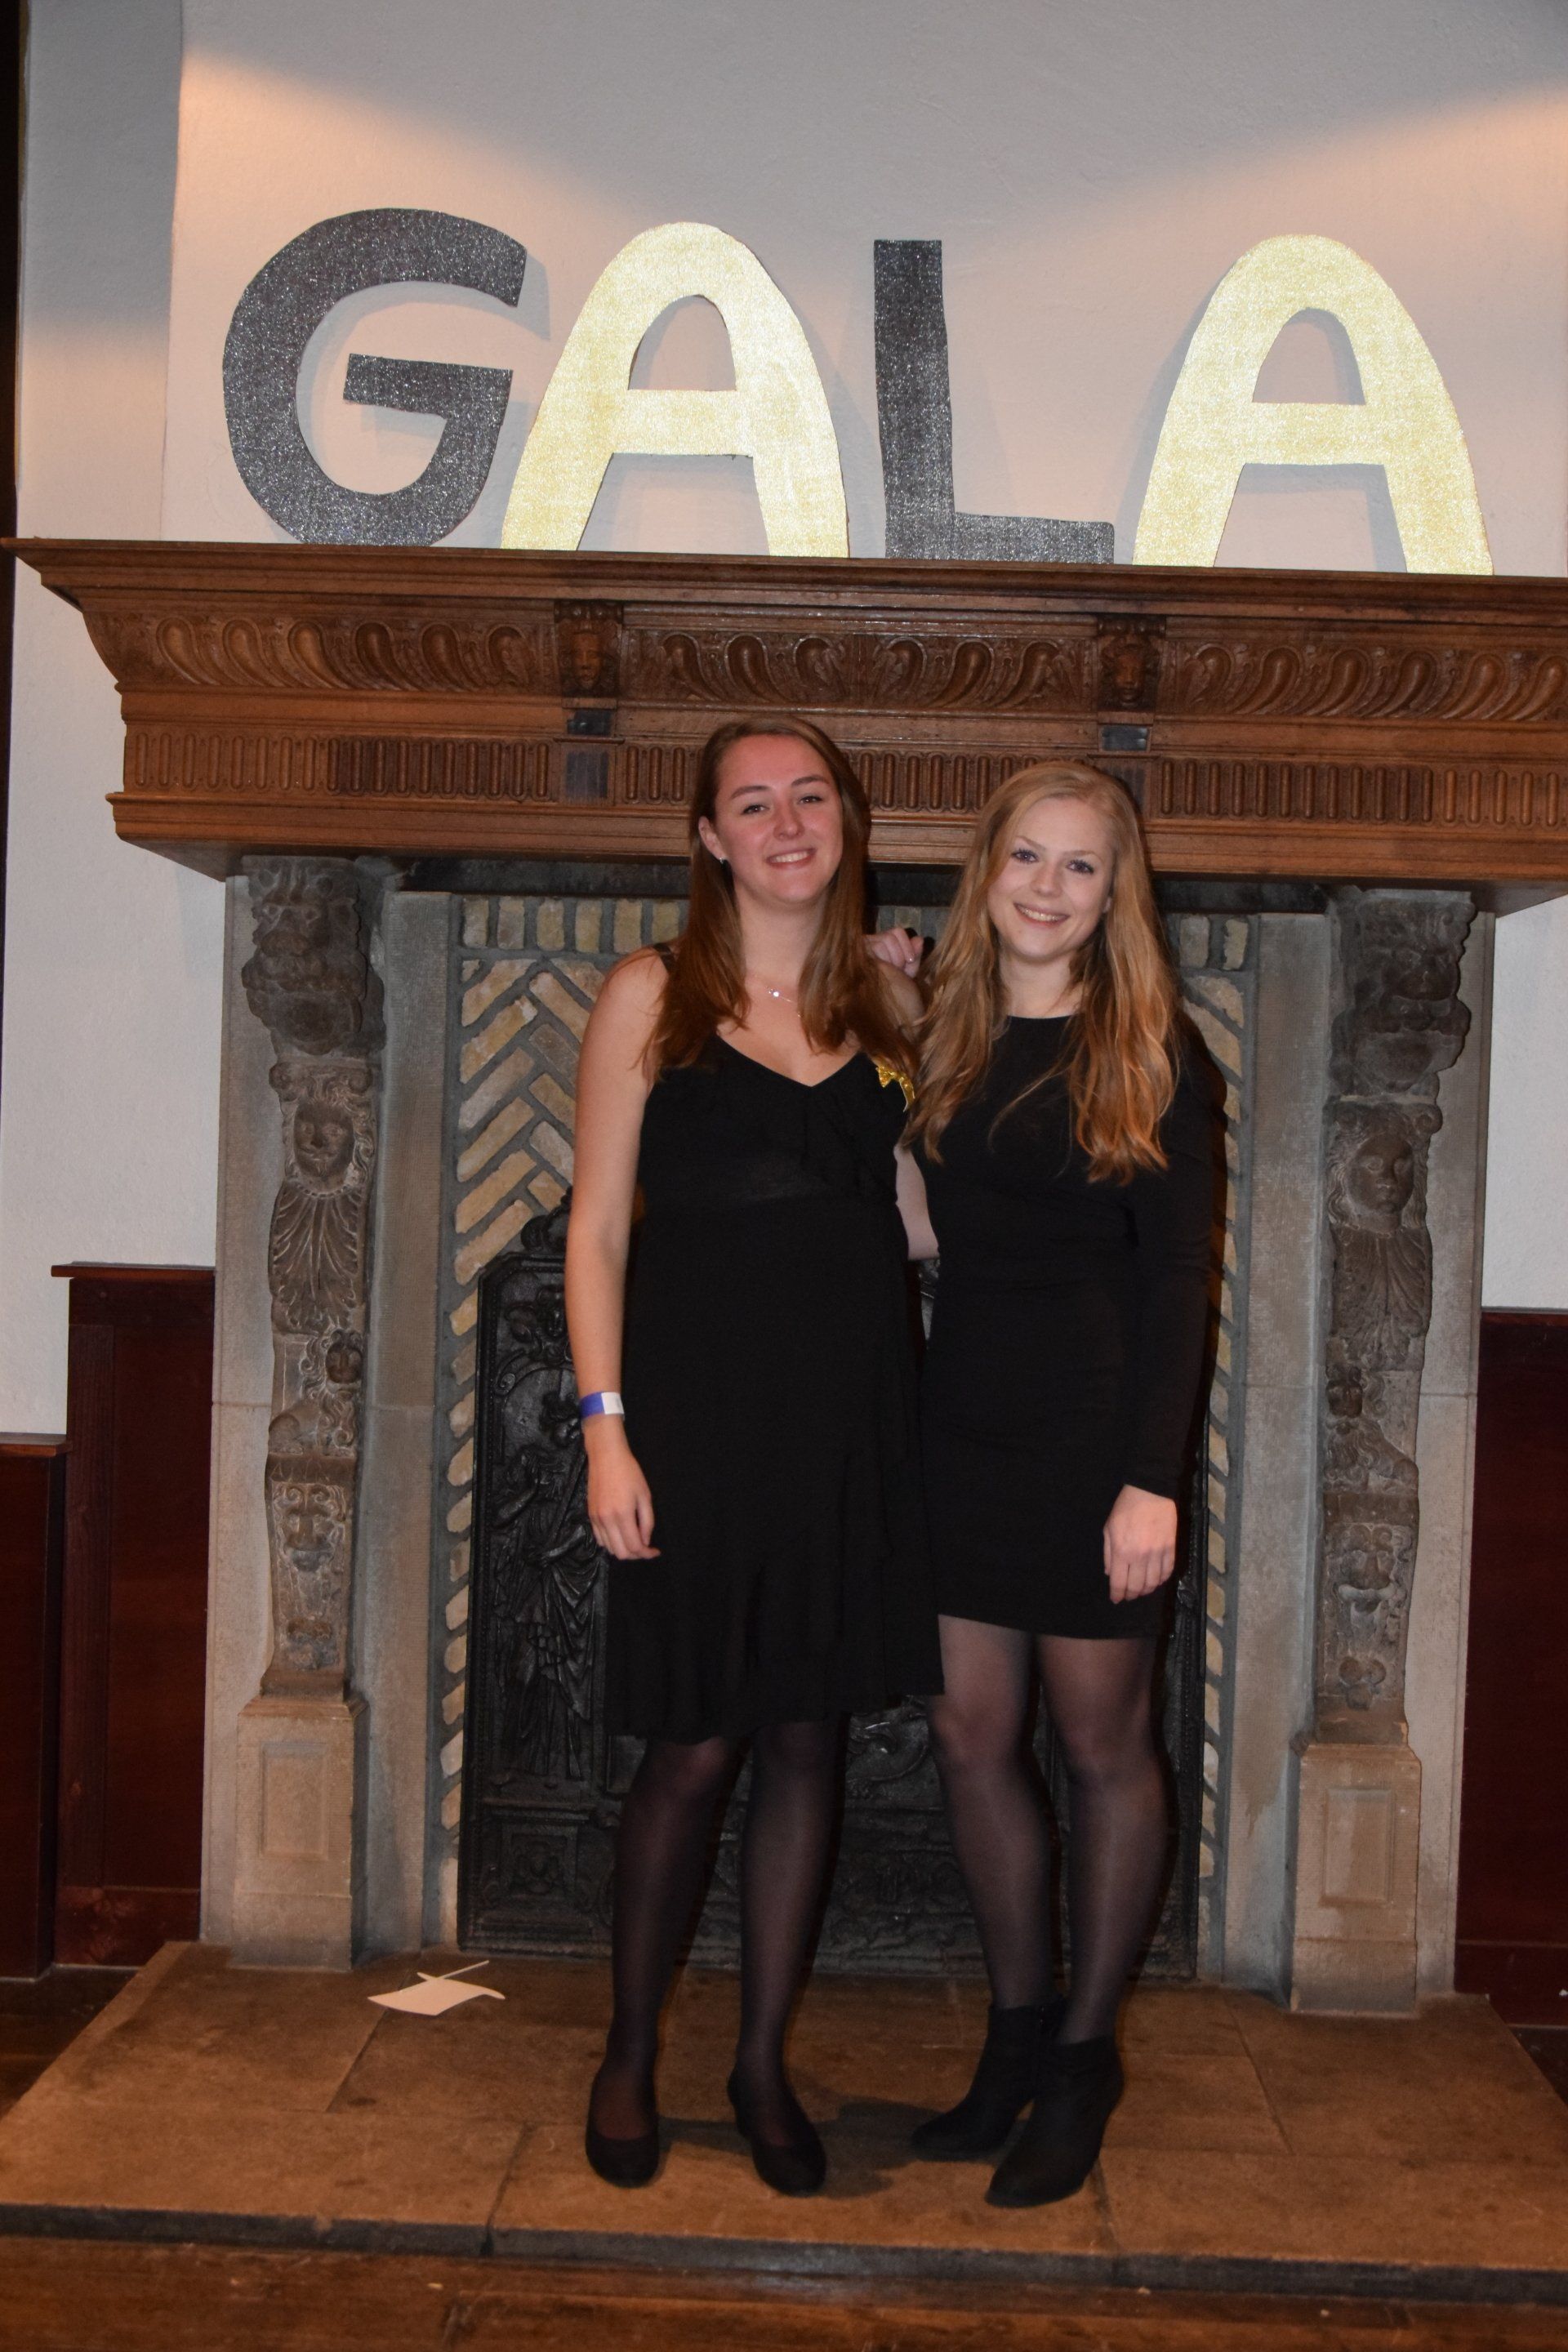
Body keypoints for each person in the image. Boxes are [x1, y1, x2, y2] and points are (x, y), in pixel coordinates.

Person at [564, 715, 941, 2198]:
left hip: (850, 1429)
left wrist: (935, 1041)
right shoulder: (651, 995)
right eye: (754, 803)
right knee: (694, 1746)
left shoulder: (884, 1009)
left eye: (811, 797)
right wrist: (606, 1433)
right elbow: (598, 1231)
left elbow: (915, 1228)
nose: (789, 824)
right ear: (710, 838)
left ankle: (763, 2063)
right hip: (697, 1429)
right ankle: (627, 2053)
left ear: (846, 821)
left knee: (805, 1743)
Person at [898, 762, 1218, 2208]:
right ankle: (1015, 2036)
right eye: (1027, 856)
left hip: (1096, 1444)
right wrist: (877, 1025)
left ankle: (1085, 2058)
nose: (1047, 886)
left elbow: (1180, 1283)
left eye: (1080, 865)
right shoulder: (952, 1035)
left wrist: (1152, 1482)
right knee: (971, 1735)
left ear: (1112, 894)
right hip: (961, 1428)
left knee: (1101, 1750)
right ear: (989, 869)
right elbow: (929, 1227)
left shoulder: (1151, 1048)